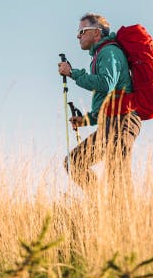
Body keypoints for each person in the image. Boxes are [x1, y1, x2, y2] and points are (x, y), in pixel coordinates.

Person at [57, 13, 141, 192]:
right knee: (74, 162)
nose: (78, 36)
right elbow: (109, 99)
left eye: (82, 31)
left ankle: (118, 209)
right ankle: (102, 204)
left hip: (123, 121)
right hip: (112, 122)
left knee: (117, 178)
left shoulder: (109, 52)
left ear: (96, 32)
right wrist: (86, 120)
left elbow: (106, 83)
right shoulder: (101, 54)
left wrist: (72, 73)